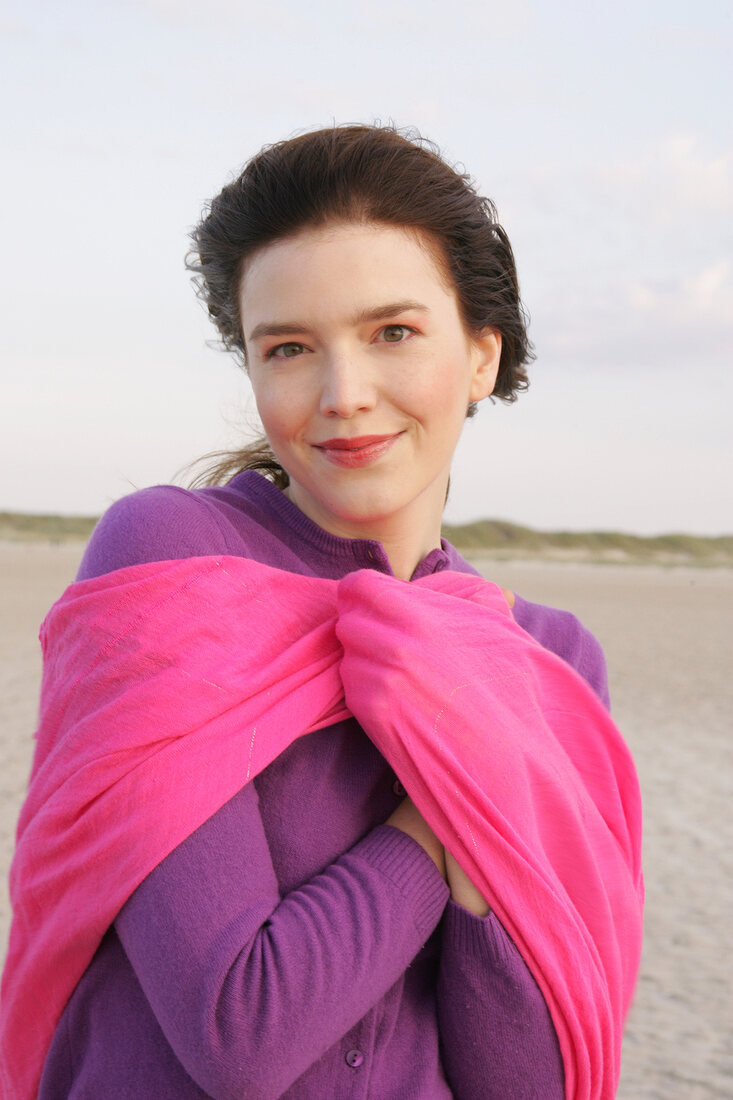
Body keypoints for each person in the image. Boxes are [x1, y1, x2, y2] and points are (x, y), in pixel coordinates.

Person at [1, 125, 643, 1100]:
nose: (343, 395)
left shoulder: (546, 657)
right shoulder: (173, 557)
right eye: (290, 346)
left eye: (393, 331)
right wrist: (449, 802)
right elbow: (238, 1028)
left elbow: (528, 1079)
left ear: (480, 353)